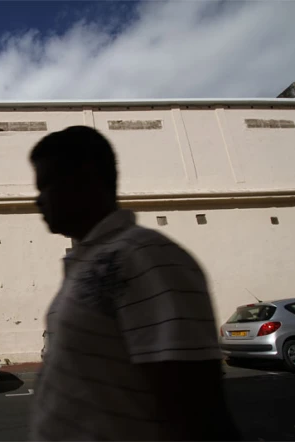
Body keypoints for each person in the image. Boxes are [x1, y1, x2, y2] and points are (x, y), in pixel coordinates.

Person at [28, 126, 240, 441]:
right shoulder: (90, 261)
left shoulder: (144, 255)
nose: (38, 201)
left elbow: (197, 407)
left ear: (84, 178)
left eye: (46, 185)